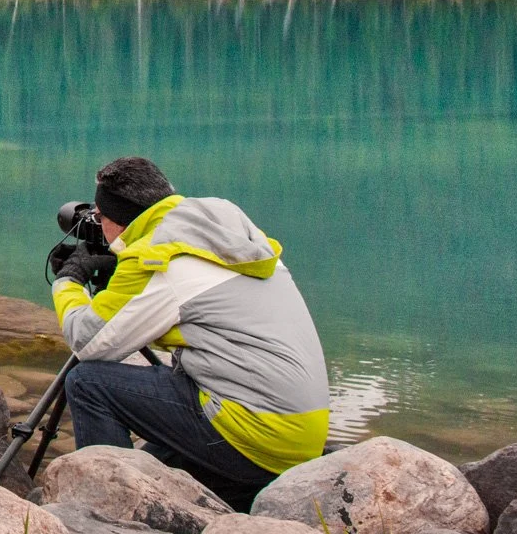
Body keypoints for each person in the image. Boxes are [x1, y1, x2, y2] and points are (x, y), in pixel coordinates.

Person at [50, 156, 329, 509]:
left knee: (88, 383)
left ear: (118, 222)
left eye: (101, 218)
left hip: (252, 433)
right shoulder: (220, 227)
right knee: (152, 466)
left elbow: (87, 342)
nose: (97, 226)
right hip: (300, 435)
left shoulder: (155, 260)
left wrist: (68, 281)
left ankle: (106, 513)